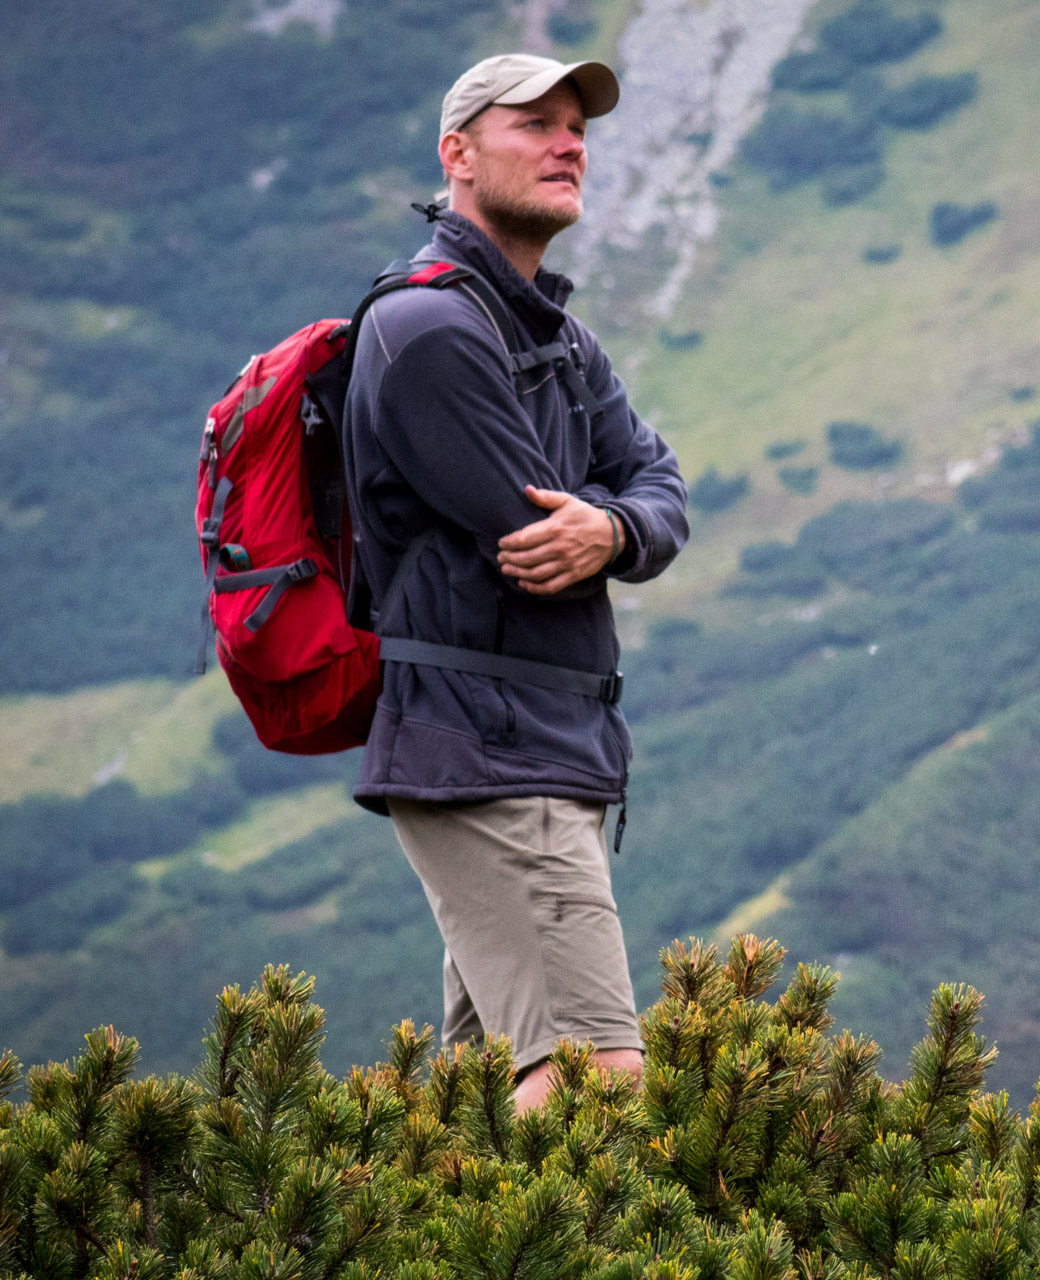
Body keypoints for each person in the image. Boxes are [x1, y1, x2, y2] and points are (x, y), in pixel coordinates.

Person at [341, 54, 688, 1108]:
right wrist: (612, 519)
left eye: (576, 127)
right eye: (534, 123)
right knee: (596, 1074)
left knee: (488, 1102)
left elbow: (659, 486)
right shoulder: (427, 330)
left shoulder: (555, 332)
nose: (568, 142)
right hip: (493, 749)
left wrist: (618, 526)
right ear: (458, 154)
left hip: (538, 746)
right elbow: (534, 531)